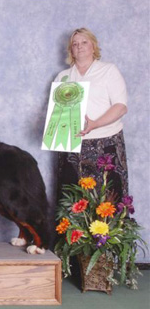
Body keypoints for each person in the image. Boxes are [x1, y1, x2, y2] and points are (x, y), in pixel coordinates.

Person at [55, 28, 129, 201]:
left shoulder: (109, 70)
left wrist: (95, 123)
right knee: (73, 201)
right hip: (71, 145)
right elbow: (58, 111)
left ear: (93, 46)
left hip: (106, 142)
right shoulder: (63, 77)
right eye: (75, 44)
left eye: (84, 42)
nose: (79, 47)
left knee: (108, 200)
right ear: (71, 50)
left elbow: (120, 106)